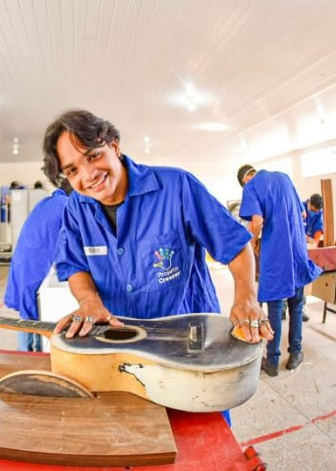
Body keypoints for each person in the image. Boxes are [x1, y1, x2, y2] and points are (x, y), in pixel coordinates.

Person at [41, 109, 273, 423]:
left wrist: (245, 297)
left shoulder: (177, 187)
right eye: (72, 170)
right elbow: (73, 265)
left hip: (191, 347)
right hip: (121, 352)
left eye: (93, 156)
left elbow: (235, 245)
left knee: (202, 436)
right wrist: (88, 300)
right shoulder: (76, 208)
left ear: (115, 145)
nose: (88, 175)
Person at [237, 165, 322, 377]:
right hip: (297, 252)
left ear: (244, 180)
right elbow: (302, 212)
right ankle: (295, 354)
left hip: (276, 255)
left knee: (275, 308)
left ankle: (273, 361)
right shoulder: (284, 177)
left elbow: (256, 222)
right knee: (296, 305)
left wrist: (253, 243)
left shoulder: (251, 187)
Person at [4, 181, 72, 352]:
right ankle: (26, 354)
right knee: (32, 310)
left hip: (23, 259)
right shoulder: (65, 205)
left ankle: (31, 348)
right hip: (35, 262)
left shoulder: (46, 201)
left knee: (29, 309)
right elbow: (70, 239)